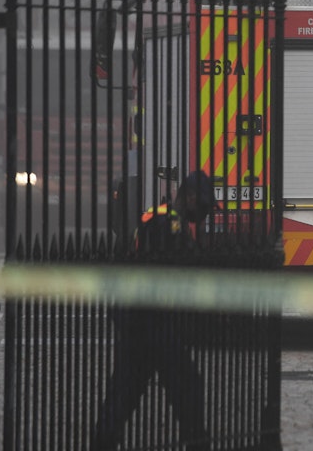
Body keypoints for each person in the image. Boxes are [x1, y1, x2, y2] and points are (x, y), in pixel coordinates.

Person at [92, 171, 215, 451]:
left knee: (126, 389)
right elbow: (175, 266)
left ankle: (103, 441)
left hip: (141, 318)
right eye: (204, 205)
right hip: (152, 320)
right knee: (186, 386)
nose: (205, 213)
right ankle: (198, 443)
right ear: (191, 196)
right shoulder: (166, 222)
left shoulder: (160, 217)